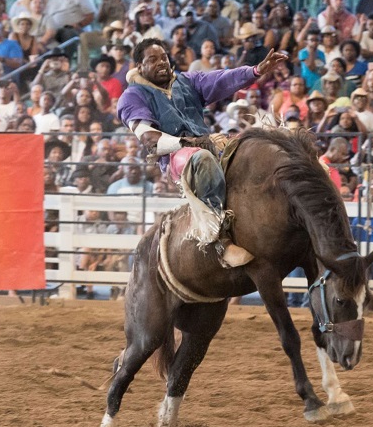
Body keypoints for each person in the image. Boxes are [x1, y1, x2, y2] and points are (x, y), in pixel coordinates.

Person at [116, 39, 288, 267]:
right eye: (153, 59)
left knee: (254, 147)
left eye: (164, 57)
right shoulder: (132, 96)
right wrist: (191, 142)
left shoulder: (186, 81)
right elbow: (150, 140)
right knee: (202, 158)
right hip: (176, 159)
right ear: (139, 66)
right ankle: (220, 242)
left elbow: (221, 78)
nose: (161, 63)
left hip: (206, 143)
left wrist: (255, 71)